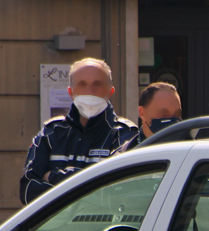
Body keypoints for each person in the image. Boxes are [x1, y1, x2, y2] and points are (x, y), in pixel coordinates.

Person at [19, 58, 139, 204]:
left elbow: (116, 193)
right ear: (71, 92)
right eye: (82, 84)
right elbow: (28, 192)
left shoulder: (125, 134)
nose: (90, 92)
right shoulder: (51, 133)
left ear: (111, 91)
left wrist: (53, 177)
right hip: (56, 227)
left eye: (97, 84)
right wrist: (89, 189)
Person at [127, 82, 183, 149]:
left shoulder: (190, 151)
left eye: (177, 114)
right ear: (142, 113)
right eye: (164, 115)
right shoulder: (125, 155)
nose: (173, 121)